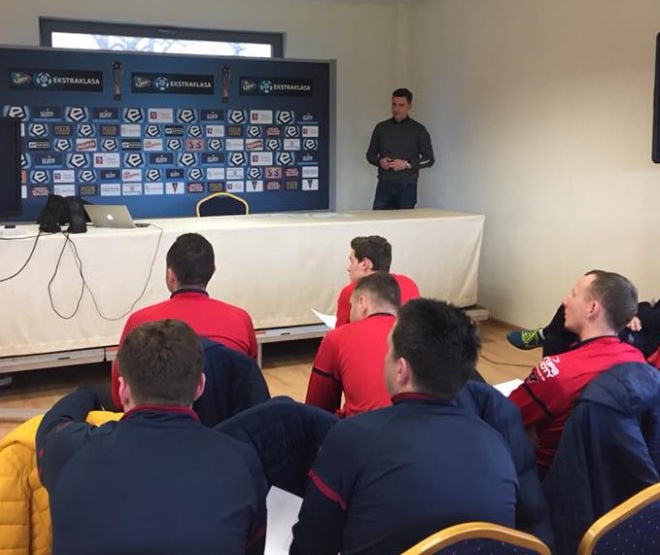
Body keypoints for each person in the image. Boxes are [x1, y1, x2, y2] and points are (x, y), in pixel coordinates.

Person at [291, 298, 518, 555]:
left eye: (389, 350)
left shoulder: (350, 439)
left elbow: (310, 546)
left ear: (401, 370)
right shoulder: (496, 444)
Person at [37, 320, 267, 555]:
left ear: (122, 390)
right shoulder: (243, 461)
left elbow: (54, 422)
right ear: (200, 386)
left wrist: (89, 394)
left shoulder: (68, 451)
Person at [508, 270, 646, 472]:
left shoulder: (558, 372)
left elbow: (506, 414)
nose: (565, 301)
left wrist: (530, 426)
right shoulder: (638, 359)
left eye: (573, 294)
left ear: (592, 308)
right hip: (605, 473)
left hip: (544, 473)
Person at [111, 232, 257, 407]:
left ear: (170, 275)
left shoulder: (140, 322)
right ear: (212, 272)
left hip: (156, 420)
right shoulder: (240, 319)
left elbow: (119, 395)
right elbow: (250, 382)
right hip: (227, 419)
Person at [306, 271, 399, 416]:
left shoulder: (337, 337)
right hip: (423, 425)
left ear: (362, 303)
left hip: (365, 427)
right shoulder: (419, 334)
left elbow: (317, 409)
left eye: (351, 305)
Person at [507, 298, 660, 359]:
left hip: (645, 347)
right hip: (637, 329)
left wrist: (640, 313)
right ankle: (545, 336)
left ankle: (542, 336)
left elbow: (653, 314)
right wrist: (637, 312)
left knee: (584, 312)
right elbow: (648, 306)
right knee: (555, 338)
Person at [366, 88, 434, 210]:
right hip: (384, 185)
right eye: (394, 104)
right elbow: (370, 155)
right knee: (379, 220)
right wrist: (380, 162)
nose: (396, 109)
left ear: (410, 106)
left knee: (404, 220)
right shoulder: (381, 128)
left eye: (401, 105)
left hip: (407, 186)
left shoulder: (418, 130)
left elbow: (429, 159)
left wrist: (407, 164)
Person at [335, 234, 419, 327]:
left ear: (364, 264)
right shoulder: (409, 284)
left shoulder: (352, 291)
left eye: (352, 261)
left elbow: (340, 332)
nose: (349, 268)